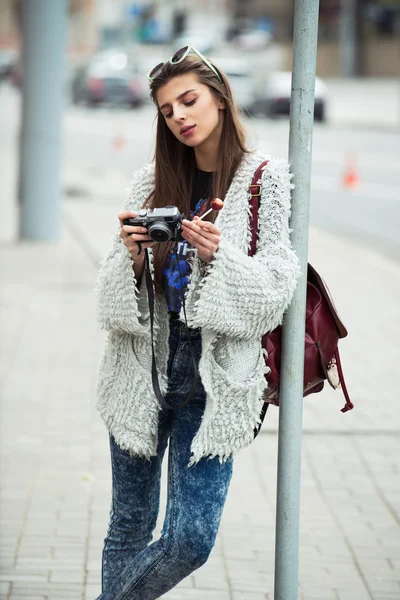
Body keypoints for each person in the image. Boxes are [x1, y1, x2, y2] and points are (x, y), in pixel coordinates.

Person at [95, 45, 300, 600]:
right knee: (128, 530)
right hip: (143, 368)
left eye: (188, 100)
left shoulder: (264, 181)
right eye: (166, 109)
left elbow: (276, 292)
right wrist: (134, 259)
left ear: (220, 98)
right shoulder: (152, 179)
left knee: (190, 538)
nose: (179, 116)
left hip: (215, 381)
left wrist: (219, 257)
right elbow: (111, 300)